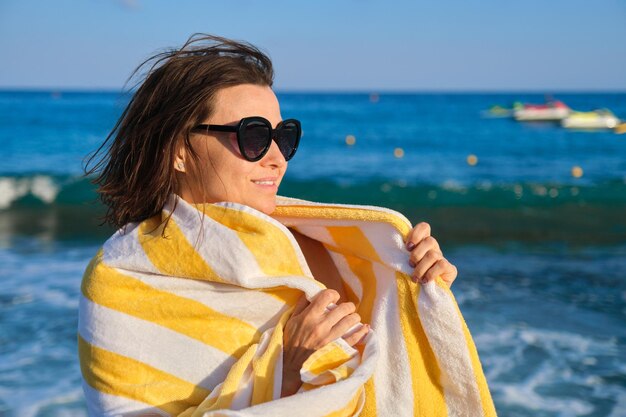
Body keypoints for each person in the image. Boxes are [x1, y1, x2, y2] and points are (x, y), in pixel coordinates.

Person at [81, 34, 489, 417]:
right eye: (254, 136)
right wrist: (286, 377)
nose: (278, 157)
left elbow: (394, 374)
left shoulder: (330, 245)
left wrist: (415, 290)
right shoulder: (123, 281)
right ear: (179, 152)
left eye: (284, 136)